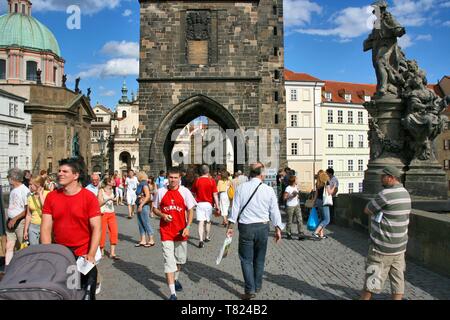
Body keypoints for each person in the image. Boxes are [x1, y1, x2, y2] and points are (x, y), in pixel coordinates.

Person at [41, 157, 101, 300]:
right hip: (61, 253)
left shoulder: (89, 197)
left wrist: (91, 254)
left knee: (86, 294)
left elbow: (97, 228)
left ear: (76, 175)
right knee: (66, 293)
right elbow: (45, 227)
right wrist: (48, 252)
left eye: (65, 171)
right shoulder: (51, 197)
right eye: (59, 171)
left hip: (83, 254)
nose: (60, 173)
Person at [226, 162, 283, 300]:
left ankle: (250, 289)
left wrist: (230, 226)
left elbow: (235, 209)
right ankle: (257, 285)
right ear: (262, 175)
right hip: (263, 227)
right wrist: (278, 228)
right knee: (259, 258)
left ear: (250, 173)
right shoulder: (268, 190)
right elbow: (274, 211)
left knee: (246, 260)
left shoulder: (241, 188)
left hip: (246, 227)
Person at [360, 166, 411, 300]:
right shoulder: (406, 193)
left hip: (382, 246)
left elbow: (368, 209)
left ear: (391, 178)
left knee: (372, 277)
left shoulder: (386, 194)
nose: (381, 179)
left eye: (383, 176)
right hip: (399, 246)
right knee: (398, 278)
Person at [152, 167, 196, 300]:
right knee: (168, 261)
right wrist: (162, 215)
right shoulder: (160, 192)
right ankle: (172, 293)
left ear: (179, 179)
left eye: (176, 178)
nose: (173, 180)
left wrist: (188, 226)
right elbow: (154, 208)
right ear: (167, 178)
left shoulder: (185, 192)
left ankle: (176, 279)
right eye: (171, 177)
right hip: (166, 232)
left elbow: (190, 210)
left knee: (180, 260)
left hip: (181, 231)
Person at [5, 168, 30, 266]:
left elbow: (27, 210)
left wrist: (15, 219)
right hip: (11, 221)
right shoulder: (13, 189)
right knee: (9, 245)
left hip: (20, 222)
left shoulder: (25, 190)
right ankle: (7, 267)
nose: (8, 180)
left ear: (13, 178)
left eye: (9, 177)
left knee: (23, 246)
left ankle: (25, 267)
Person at [191, 165, 220, 248]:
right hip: (208, 204)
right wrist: (217, 206)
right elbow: (215, 195)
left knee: (200, 222)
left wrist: (193, 202)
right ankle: (206, 237)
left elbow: (193, 193)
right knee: (208, 221)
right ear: (208, 171)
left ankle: (200, 240)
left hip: (199, 204)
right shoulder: (212, 181)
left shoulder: (197, 180)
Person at [23, 176, 49, 246]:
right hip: (33, 226)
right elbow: (28, 215)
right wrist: (25, 230)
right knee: (34, 249)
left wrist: (40, 195)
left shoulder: (48, 194)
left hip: (45, 226)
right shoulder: (30, 197)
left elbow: (46, 208)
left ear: (38, 185)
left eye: (31, 184)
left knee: (45, 249)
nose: (29, 186)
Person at [98, 177, 120, 260]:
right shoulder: (101, 191)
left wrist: (114, 200)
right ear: (108, 182)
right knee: (103, 232)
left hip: (112, 213)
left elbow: (112, 200)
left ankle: (112, 253)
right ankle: (101, 251)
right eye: (112, 181)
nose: (114, 182)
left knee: (114, 231)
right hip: (103, 213)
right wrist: (108, 199)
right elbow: (99, 203)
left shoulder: (113, 190)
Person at [312, 170, 336, 239]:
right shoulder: (326, 182)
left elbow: (316, 194)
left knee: (322, 218)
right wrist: (333, 186)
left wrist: (314, 202)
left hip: (318, 201)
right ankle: (316, 232)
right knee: (327, 220)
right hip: (324, 202)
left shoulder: (318, 183)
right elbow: (329, 192)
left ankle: (321, 234)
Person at [134, 172, 155, 248]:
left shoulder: (144, 184)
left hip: (143, 206)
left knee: (146, 222)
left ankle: (151, 239)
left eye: (137, 176)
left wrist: (141, 205)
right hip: (140, 205)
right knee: (140, 223)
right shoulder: (141, 184)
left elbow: (147, 196)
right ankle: (143, 240)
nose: (136, 177)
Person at [283, 175, 305, 240]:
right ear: (293, 181)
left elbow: (297, 196)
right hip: (290, 206)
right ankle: (288, 233)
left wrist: (297, 195)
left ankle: (301, 234)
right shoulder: (288, 188)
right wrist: (292, 195)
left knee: (299, 219)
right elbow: (284, 198)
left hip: (297, 205)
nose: (297, 180)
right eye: (296, 179)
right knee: (289, 220)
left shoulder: (296, 187)